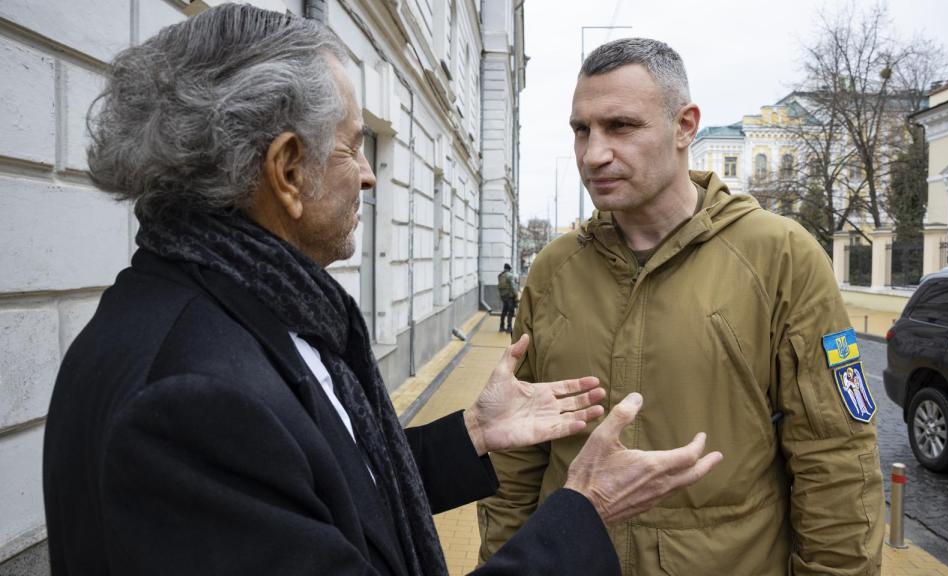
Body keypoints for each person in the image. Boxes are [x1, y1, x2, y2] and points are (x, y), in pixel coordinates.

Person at [42, 8, 723, 576]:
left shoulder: (211, 310)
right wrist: (587, 512)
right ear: (286, 170)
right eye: (352, 145)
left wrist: (474, 433)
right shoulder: (195, 400)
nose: (369, 176)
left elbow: (328, 495)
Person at [478, 38, 884, 575]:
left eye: (620, 126)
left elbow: (834, 457)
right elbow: (517, 462)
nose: (593, 153)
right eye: (582, 129)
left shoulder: (780, 256)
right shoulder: (554, 270)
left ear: (685, 126)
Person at [497, 263, 518, 333]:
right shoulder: (510, 275)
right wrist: (516, 295)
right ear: (509, 269)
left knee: (504, 311)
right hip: (510, 296)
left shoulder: (500, 275)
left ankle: (501, 327)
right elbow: (513, 286)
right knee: (511, 312)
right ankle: (509, 328)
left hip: (503, 296)